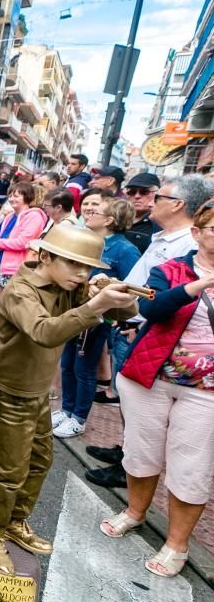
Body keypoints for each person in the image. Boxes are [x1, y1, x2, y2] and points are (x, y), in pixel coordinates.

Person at [0, 225, 138, 575]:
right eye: (75, 265)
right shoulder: (22, 289)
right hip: (10, 389)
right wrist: (95, 303)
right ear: (46, 257)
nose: (82, 274)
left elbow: (120, 314)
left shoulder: (71, 285)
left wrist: (117, 295)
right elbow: (46, 332)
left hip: (37, 391)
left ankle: (14, 521)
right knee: (8, 471)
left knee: (39, 461)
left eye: (88, 268)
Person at [99, 200, 214, 578]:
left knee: (191, 467)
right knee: (141, 450)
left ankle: (177, 544)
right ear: (196, 233)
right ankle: (135, 511)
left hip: (205, 392)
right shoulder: (171, 269)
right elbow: (152, 309)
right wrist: (197, 286)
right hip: (151, 379)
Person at [85, 175, 213, 488]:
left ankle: (130, 470)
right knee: (133, 407)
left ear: (178, 204)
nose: (150, 201)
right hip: (128, 326)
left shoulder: (187, 244)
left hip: (147, 337)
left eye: (158, 197)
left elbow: (168, 298)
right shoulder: (162, 237)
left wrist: (139, 326)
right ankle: (125, 455)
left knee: (147, 418)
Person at [54, 198, 141, 439]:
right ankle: (66, 410)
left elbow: (132, 287)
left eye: (96, 210)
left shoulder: (124, 250)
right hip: (73, 312)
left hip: (97, 319)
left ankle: (79, 418)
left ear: (110, 220)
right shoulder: (88, 240)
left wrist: (114, 310)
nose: (88, 211)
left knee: (84, 368)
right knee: (67, 364)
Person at [0, 182, 48, 350]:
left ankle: (4, 343)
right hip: (3, 265)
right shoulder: (12, 216)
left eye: (16, 195)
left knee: (8, 309)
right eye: (10, 195)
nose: (12, 198)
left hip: (16, 268)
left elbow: (24, 242)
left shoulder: (34, 216)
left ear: (27, 197)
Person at [123, 172, 161, 254]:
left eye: (144, 192)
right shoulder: (116, 218)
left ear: (157, 194)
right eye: (132, 192)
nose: (137, 196)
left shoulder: (160, 225)